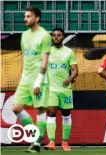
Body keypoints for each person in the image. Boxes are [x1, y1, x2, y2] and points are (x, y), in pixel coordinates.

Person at [12, 7, 51, 152]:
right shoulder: (24, 35)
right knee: (16, 108)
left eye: (28, 16)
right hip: (25, 79)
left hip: (39, 80)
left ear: (37, 18)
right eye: (25, 16)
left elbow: (44, 61)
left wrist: (38, 81)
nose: (25, 19)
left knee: (40, 111)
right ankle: (35, 135)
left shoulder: (44, 35)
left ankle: (37, 144)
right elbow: (25, 58)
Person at [44, 28, 78, 151]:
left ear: (63, 37)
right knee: (51, 113)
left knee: (66, 114)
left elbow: (75, 70)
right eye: (54, 35)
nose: (56, 37)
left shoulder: (69, 52)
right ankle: (52, 142)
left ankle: (64, 142)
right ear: (51, 37)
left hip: (65, 89)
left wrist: (70, 79)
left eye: (59, 35)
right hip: (51, 89)